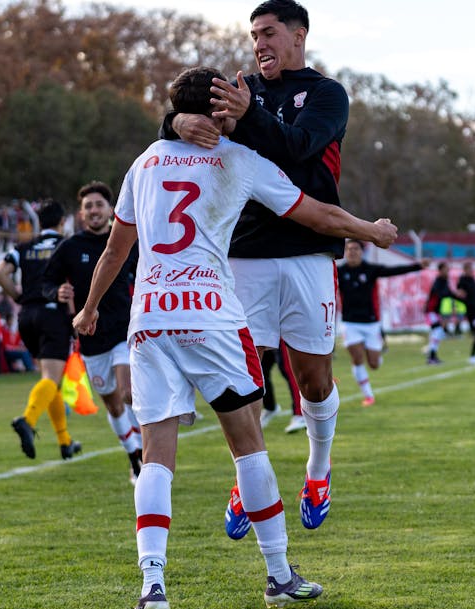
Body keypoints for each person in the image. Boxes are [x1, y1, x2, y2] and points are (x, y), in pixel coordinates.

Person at [73, 65, 396, 609]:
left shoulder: (143, 163)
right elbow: (315, 213)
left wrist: (90, 308)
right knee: (248, 446)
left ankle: (153, 585)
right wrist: (369, 231)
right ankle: (278, 575)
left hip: (148, 321)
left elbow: (114, 252)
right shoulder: (239, 160)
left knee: (156, 459)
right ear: (216, 112)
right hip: (211, 317)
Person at [165, 0, 349, 534]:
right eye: (253, 36)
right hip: (244, 254)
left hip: (309, 252)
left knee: (313, 381)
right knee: (243, 376)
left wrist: (250, 115)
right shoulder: (239, 85)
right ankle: (250, 475)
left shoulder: (326, 94)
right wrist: (177, 118)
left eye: (268, 33)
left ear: (299, 35)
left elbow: (298, 149)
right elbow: (176, 118)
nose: (259, 44)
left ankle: (318, 469)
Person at [40, 181, 143, 483]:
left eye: (99, 205)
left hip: (124, 329)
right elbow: (46, 283)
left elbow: (146, 271)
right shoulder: (70, 247)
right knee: (112, 403)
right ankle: (133, 455)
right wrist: (55, 292)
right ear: (81, 214)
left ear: (111, 210)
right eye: (88, 207)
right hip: (90, 336)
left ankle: (146, 459)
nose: (94, 210)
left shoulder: (127, 241)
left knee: (128, 393)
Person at [0, 199, 82, 460]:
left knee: (51, 381)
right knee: (51, 379)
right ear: (62, 222)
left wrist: (19, 297)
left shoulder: (25, 246)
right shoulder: (66, 244)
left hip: (27, 317)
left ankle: (65, 442)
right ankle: (27, 421)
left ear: (39, 223)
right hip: (53, 314)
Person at [337, 239, 426, 405]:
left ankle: (375, 353)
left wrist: (418, 266)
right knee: (357, 359)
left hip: (371, 324)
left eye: (355, 248)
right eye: (349, 249)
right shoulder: (339, 272)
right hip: (350, 323)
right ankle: (368, 396)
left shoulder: (370, 270)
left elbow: (395, 270)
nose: (352, 252)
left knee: (374, 364)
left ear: (362, 252)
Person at [423, 262, 455, 365]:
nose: (448, 271)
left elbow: (448, 293)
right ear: (440, 270)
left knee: (438, 332)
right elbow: (441, 293)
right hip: (430, 311)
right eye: (446, 269)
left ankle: (432, 355)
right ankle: (431, 356)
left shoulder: (444, 281)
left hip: (435, 312)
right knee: (438, 331)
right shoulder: (438, 281)